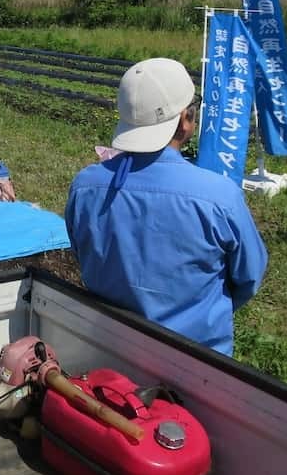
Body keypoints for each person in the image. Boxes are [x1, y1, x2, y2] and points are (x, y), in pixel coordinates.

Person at [65, 57, 268, 357]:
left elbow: (81, 254)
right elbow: (248, 277)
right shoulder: (219, 197)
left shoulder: (86, 185)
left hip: (106, 347)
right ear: (186, 119)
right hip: (196, 360)